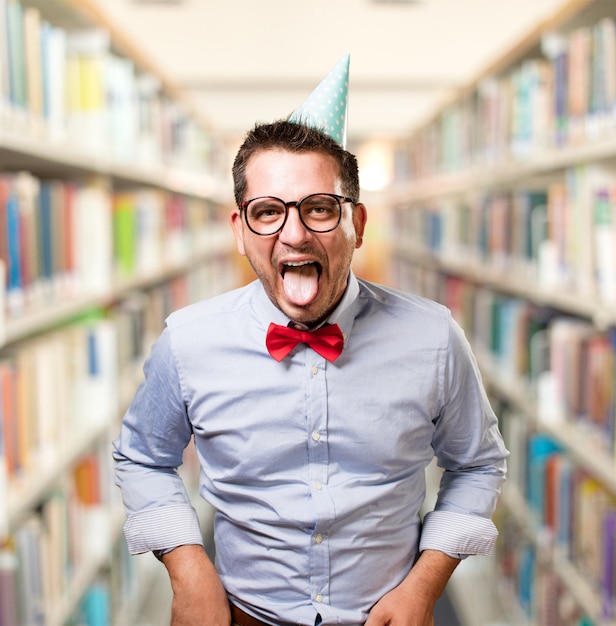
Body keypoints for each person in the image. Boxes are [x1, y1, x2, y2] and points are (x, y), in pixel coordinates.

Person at [113, 58, 508, 626]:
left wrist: (426, 584)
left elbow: (477, 463)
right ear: (239, 230)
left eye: (319, 209)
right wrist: (187, 564)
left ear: (358, 223)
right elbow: (141, 457)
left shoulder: (435, 337)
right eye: (268, 212)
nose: (293, 234)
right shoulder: (188, 342)